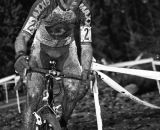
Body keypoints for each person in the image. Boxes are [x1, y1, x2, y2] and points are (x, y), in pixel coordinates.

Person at [14, 0, 93, 129]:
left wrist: (86, 70)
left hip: (67, 50)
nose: (77, 1)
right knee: (33, 94)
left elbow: (86, 45)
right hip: (41, 49)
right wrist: (20, 55)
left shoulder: (84, 9)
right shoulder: (44, 4)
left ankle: (62, 124)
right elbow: (23, 36)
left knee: (73, 91)